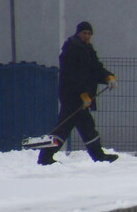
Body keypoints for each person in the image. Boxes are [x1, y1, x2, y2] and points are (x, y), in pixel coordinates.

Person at [37, 20, 119, 164]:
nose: (87, 36)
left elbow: (95, 69)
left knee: (86, 127)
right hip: (72, 97)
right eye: (84, 33)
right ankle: (45, 157)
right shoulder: (72, 50)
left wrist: (108, 76)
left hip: (82, 98)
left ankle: (98, 156)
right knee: (64, 128)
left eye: (89, 33)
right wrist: (82, 95)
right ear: (78, 33)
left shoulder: (87, 50)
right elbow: (72, 77)